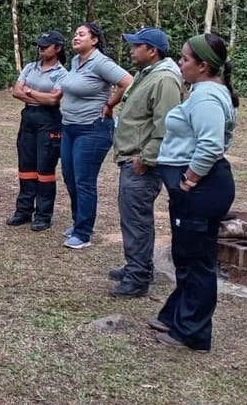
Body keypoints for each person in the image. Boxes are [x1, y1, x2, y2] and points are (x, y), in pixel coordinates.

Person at [151, 33, 238, 353]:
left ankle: (193, 333)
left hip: (201, 189)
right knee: (186, 256)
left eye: (185, 59)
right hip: (199, 189)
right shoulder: (207, 92)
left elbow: (211, 144)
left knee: (197, 262)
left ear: (203, 66)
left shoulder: (206, 97)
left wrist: (189, 178)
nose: (180, 63)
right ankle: (175, 316)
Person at [108, 27, 183, 297]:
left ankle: (137, 277)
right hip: (132, 158)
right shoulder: (146, 74)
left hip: (142, 163)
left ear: (152, 51)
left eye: (136, 46)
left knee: (137, 221)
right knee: (133, 218)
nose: (131, 50)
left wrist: (146, 158)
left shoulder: (165, 80)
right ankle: (139, 266)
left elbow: (167, 125)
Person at [58, 22, 133, 249]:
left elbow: (128, 82)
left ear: (94, 40)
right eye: (75, 34)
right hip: (69, 127)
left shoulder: (101, 62)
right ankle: (77, 222)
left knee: (84, 181)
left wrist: (110, 104)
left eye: (81, 34)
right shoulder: (75, 61)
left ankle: (83, 233)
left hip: (92, 129)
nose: (76, 37)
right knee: (70, 177)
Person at [8, 30, 67, 231]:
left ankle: (43, 215)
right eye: (39, 45)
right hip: (29, 118)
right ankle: (23, 210)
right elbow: (16, 92)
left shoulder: (62, 73)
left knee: (45, 169)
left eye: (46, 45)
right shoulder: (30, 67)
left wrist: (30, 91)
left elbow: (53, 100)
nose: (41, 48)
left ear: (57, 48)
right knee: (26, 167)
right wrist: (39, 96)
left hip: (49, 121)